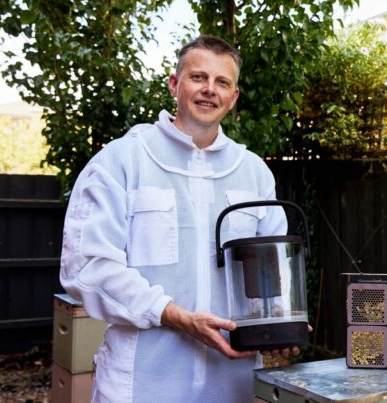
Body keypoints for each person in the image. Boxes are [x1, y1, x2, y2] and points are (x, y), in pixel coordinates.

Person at [60, 35, 299, 402]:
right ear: (174, 84)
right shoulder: (122, 161)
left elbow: (274, 274)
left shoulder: (254, 173)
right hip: (140, 382)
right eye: (198, 77)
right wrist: (175, 315)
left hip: (230, 381)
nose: (209, 90)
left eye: (222, 82)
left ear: (233, 98)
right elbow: (87, 267)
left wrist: (281, 325)